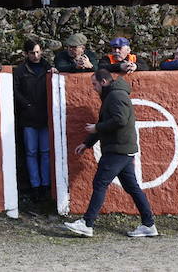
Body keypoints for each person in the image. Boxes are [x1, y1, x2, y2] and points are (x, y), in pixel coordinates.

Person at [63, 68, 159, 238]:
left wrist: (96, 128)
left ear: (104, 82)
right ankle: (148, 224)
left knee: (100, 183)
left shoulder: (115, 96)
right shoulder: (113, 95)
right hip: (123, 149)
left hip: (117, 149)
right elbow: (109, 122)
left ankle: (87, 223)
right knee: (132, 187)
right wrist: (87, 143)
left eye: (94, 84)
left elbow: (119, 120)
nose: (93, 88)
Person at [13, 39, 51, 200]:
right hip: (28, 117)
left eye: (37, 52)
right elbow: (15, 90)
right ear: (26, 54)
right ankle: (35, 186)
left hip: (44, 116)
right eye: (32, 53)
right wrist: (26, 104)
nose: (35, 55)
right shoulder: (21, 71)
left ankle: (45, 185)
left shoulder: (48, 67)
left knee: (45, 152)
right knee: (31, 152)